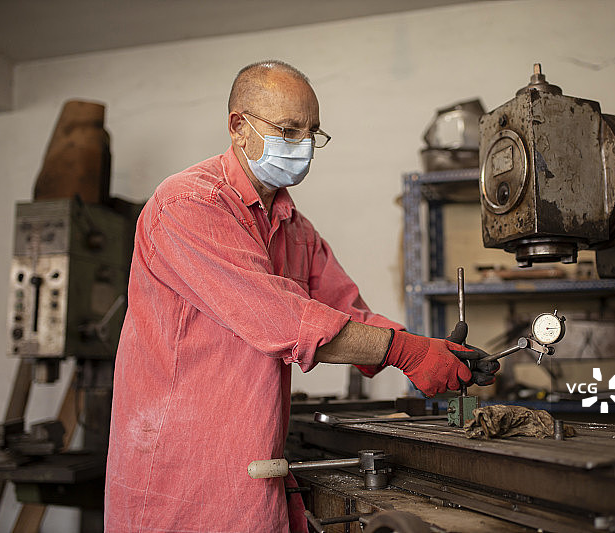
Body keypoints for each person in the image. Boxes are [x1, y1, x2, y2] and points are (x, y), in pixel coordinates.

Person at [104, 60, 497, 532]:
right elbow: (281, 320)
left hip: (254, 465)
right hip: (180, 475)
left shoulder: (296, 230)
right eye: (289, 131)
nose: (304, 146)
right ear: (238, 128)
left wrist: (432, 351)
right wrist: (407, 352)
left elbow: (347, 313)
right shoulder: (188, 205)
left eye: (313, 133)